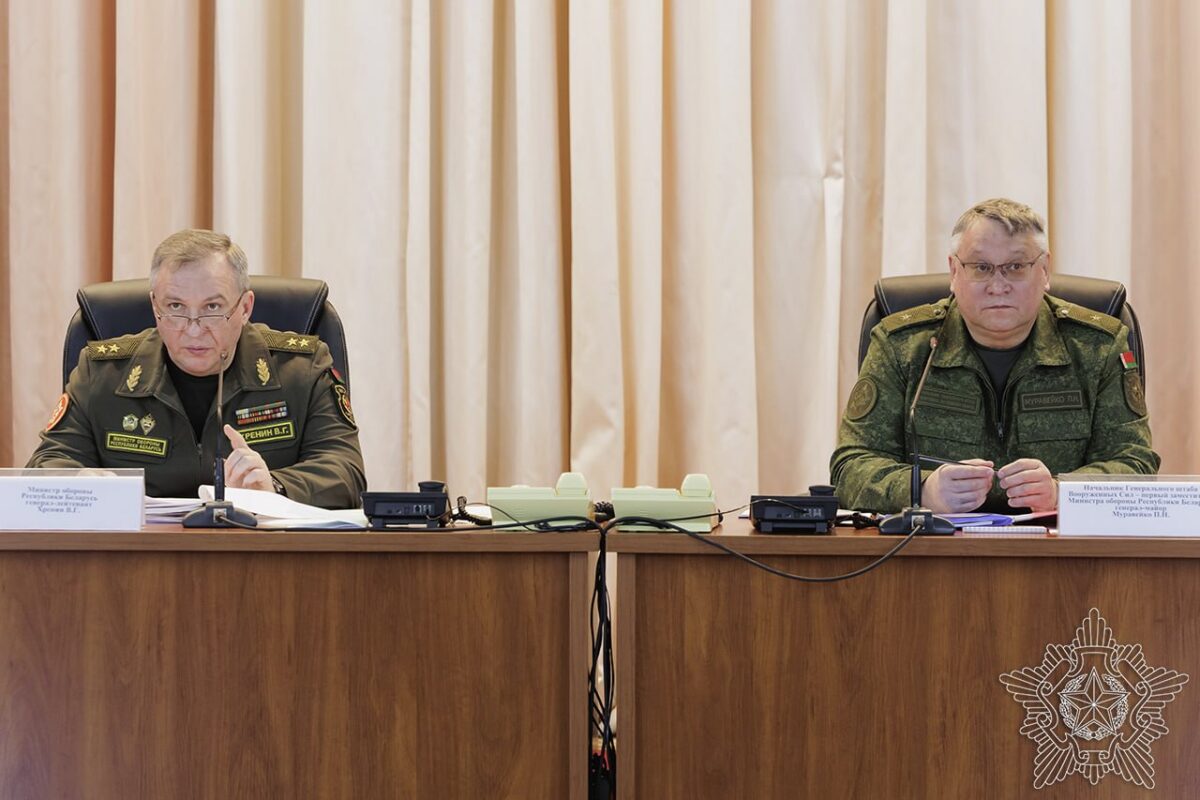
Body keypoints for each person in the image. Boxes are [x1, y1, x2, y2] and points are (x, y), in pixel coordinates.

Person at [830, 198, 1159, 514]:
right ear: (954, 272)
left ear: (1044, 270)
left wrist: (1062, 492)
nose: (998, 285)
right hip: (935, 547)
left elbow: (1135, 463)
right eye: (981, 267)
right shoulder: (903, 345)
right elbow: (850, 466)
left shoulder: (1096, 347)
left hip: (1058, 548)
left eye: (1016, 267)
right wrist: (922, 490)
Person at [27, 229, 366, 508]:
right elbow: (46, 465)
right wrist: (80, 482)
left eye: (212, 307)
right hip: (139, 560)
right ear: (154, 307)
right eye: (175, 307)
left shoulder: (301, 369)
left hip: (262, 559)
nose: (193, 329)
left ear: (245, 307)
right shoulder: (102, 373)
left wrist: (274, 486)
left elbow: (345, 472)